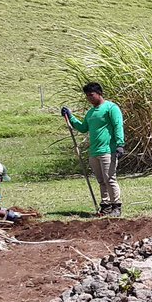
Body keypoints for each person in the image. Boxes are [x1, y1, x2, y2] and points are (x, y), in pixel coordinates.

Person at [62, 82, 126, 217]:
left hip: (108, 150)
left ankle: (116, 206)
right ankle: (105, 206)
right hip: (94, 152)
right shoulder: (90, 112)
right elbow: (83, 128)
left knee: (110, 179)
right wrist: (70, 117)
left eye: (91, 95)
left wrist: (120, 144)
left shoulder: (111, 108)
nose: (89, 98)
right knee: (101, 181)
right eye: (87, 96)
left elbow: (118, 125)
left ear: (99, 93)